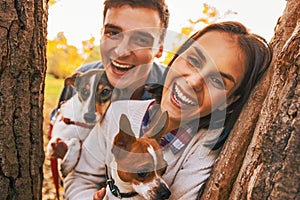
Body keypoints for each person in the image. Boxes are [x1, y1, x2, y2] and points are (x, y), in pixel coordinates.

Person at [64, 21, 272, 199]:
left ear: (231, 99)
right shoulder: (118, 113)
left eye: (217, 82)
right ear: (176, 57)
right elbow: (82, 178)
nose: (193, 82)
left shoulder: (204, 152)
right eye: (193, 61)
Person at [49, 0, 170, 166]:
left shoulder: (174, 91)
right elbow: (60, 123)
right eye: (113, 33)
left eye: (141, 39)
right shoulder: (84, 78)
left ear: (160, 49)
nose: (121, 51)